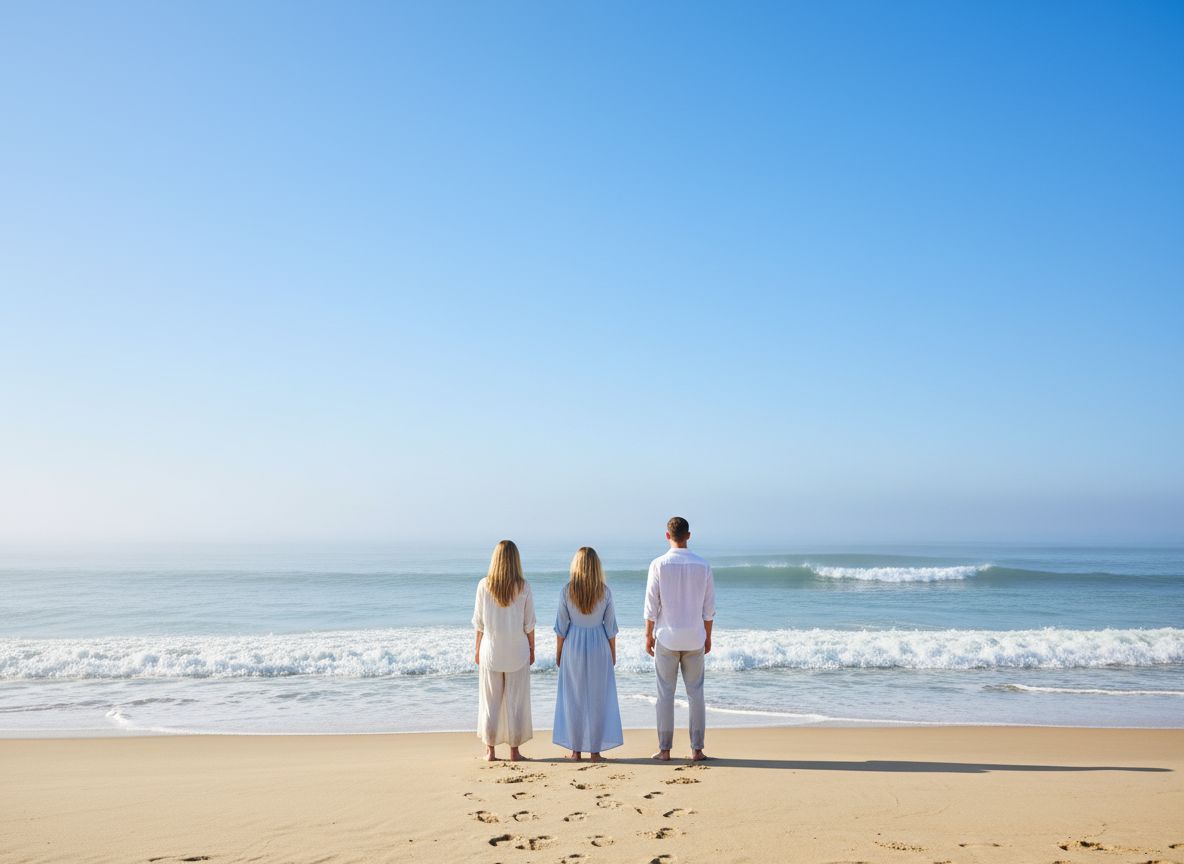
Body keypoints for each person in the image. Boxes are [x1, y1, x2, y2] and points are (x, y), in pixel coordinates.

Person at [643, 516, 716, 762]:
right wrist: (708, 636)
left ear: (667, 536)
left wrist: (647, 635)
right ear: (688, 536)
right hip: (695, 636)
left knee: (665, 694)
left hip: (668, 637)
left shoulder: (658, 564)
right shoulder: (702, 565)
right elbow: (709, 608)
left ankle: (665, 750)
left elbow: (651, 606)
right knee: (696, 693)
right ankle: (697, 749)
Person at [552, 546, 623, 761]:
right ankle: (595, 751)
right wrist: (613, 653)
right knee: (598, 698)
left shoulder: (567, 591)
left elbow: (561, 627)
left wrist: (559, 652)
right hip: (599, 645)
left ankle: (575, 751)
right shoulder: (605, 591)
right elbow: (610, 628)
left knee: (574, 698)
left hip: (573, 645)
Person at [473, 539, 536, 761]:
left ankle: (490, 751)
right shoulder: (524, 587)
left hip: (491, 651)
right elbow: (529, 624)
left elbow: (479, 624)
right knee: (515, 703)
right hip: (517, 652)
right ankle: (514, 752)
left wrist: (477, 649)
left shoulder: (484, 585)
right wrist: (532, 649)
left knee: (490, 702)